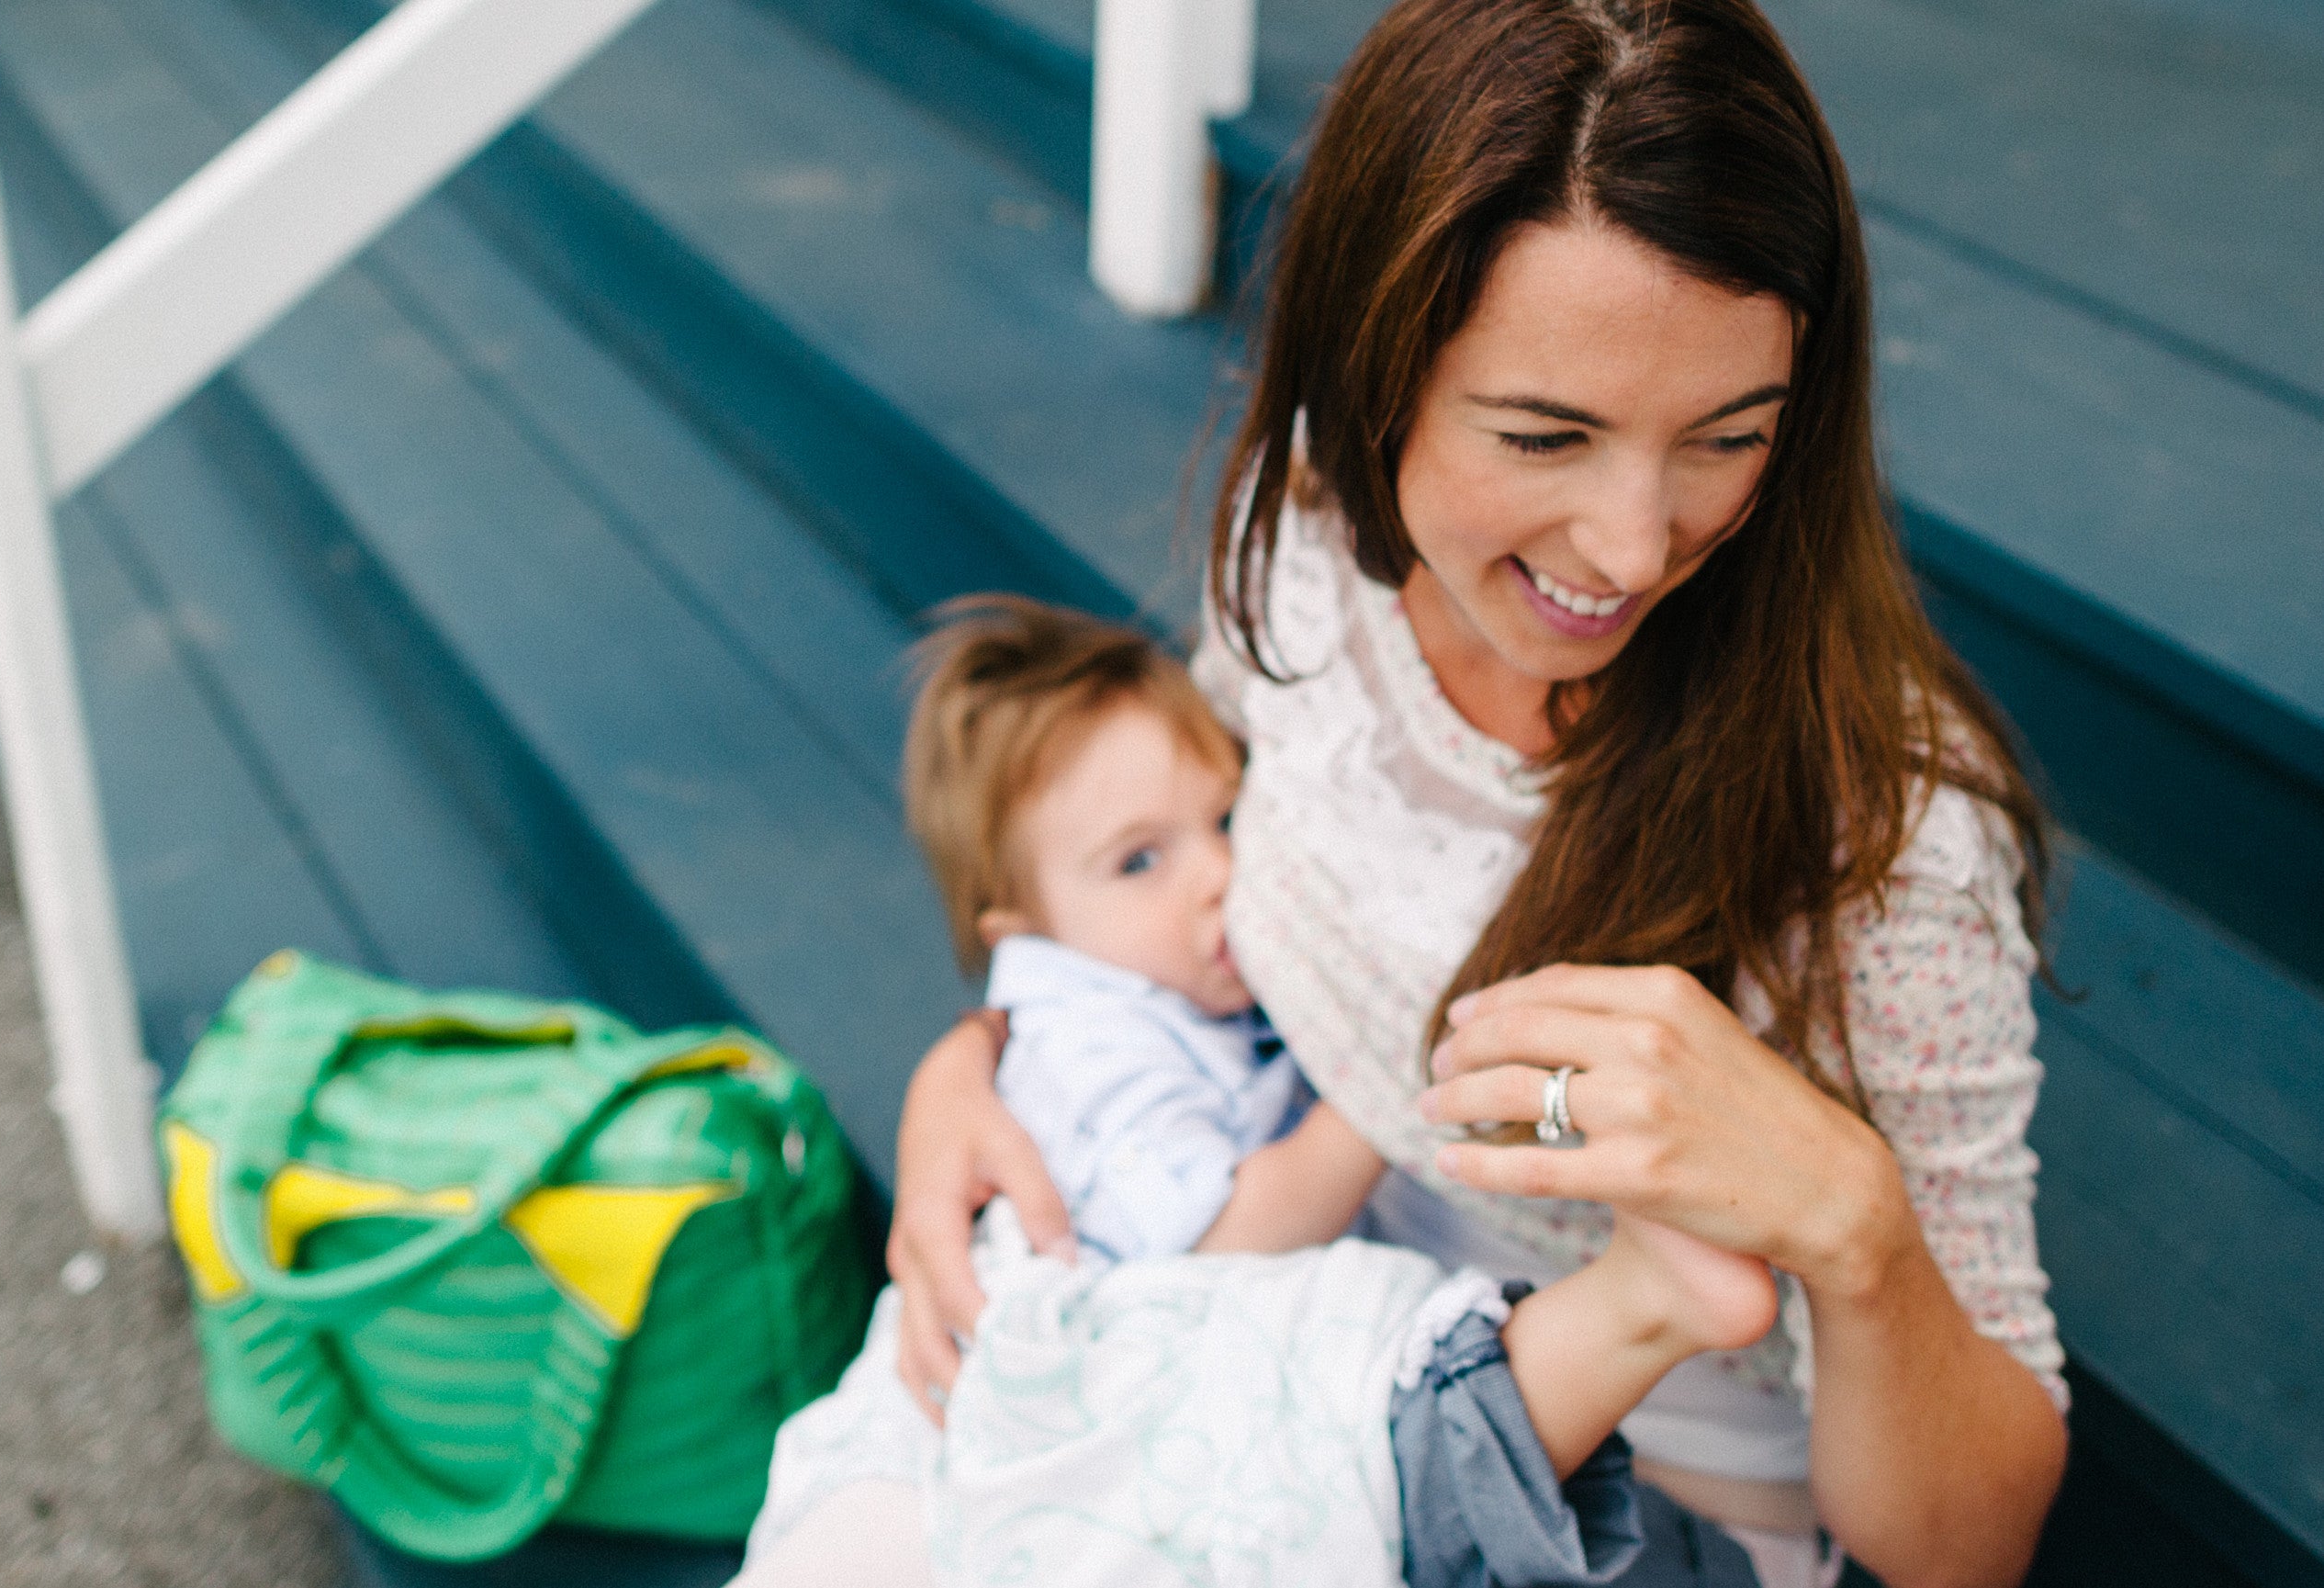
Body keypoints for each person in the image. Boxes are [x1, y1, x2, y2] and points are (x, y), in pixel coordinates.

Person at [881, 2, 2071, 1585]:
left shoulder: (1884, 842)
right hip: (1279, 1319)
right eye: (1543, 434)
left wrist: (1852, 1227)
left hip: (1633, 1499)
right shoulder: (1308, 534)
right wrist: (975, 1064)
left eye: (1726, 438)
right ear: (1371, 376)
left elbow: (1966, 1547)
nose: (1634, 545)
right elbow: (1201, 849)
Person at [741, 596, 1774, 1588]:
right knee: (1341, 1448)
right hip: (1063, 1376)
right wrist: (1376, 1081)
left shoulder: (1183, 994)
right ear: (1027, 939)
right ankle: (1643, 1305)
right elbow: (1224, 1239)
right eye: (1139, 859)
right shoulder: (1092, 1044)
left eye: (1225, 815)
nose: (1215, 874)